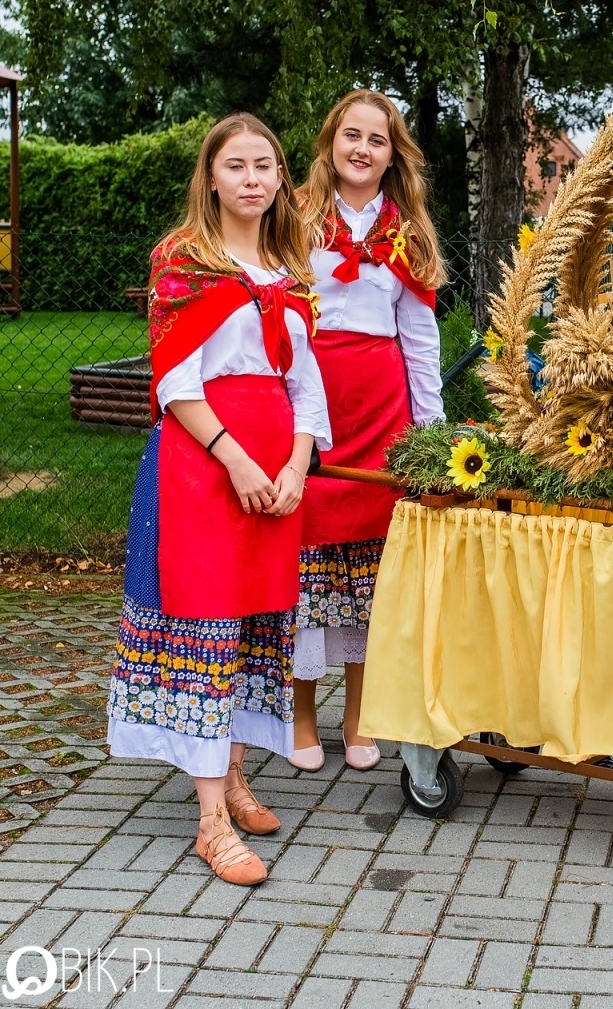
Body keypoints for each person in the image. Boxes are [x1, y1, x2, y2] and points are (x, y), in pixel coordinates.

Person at [108, 113, 331, 886]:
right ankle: (209, 822)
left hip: (277, 474)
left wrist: (298, 465)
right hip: (204, 470)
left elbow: (307, 384)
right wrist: (236, 461)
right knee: (205, 626)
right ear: (210, 177)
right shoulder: (182, 260)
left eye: (264, 165)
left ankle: (234, 774)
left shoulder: (292, 268)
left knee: (254, 625)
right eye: (235, 165)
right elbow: (174, 382)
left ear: (279, 177)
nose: (251, 179)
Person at [290, 89, 446, 773]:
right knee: (305, 570)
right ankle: (298, 715)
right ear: (330, 142)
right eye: (350, 135)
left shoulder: (406, 233)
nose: (361, 148)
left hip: (380, 410)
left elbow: (419, 336)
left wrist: (431, 429)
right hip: (310, 405)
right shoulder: (292, 218)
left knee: (367, 576)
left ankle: (359, 716)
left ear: (393, 154)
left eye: (376, 140)